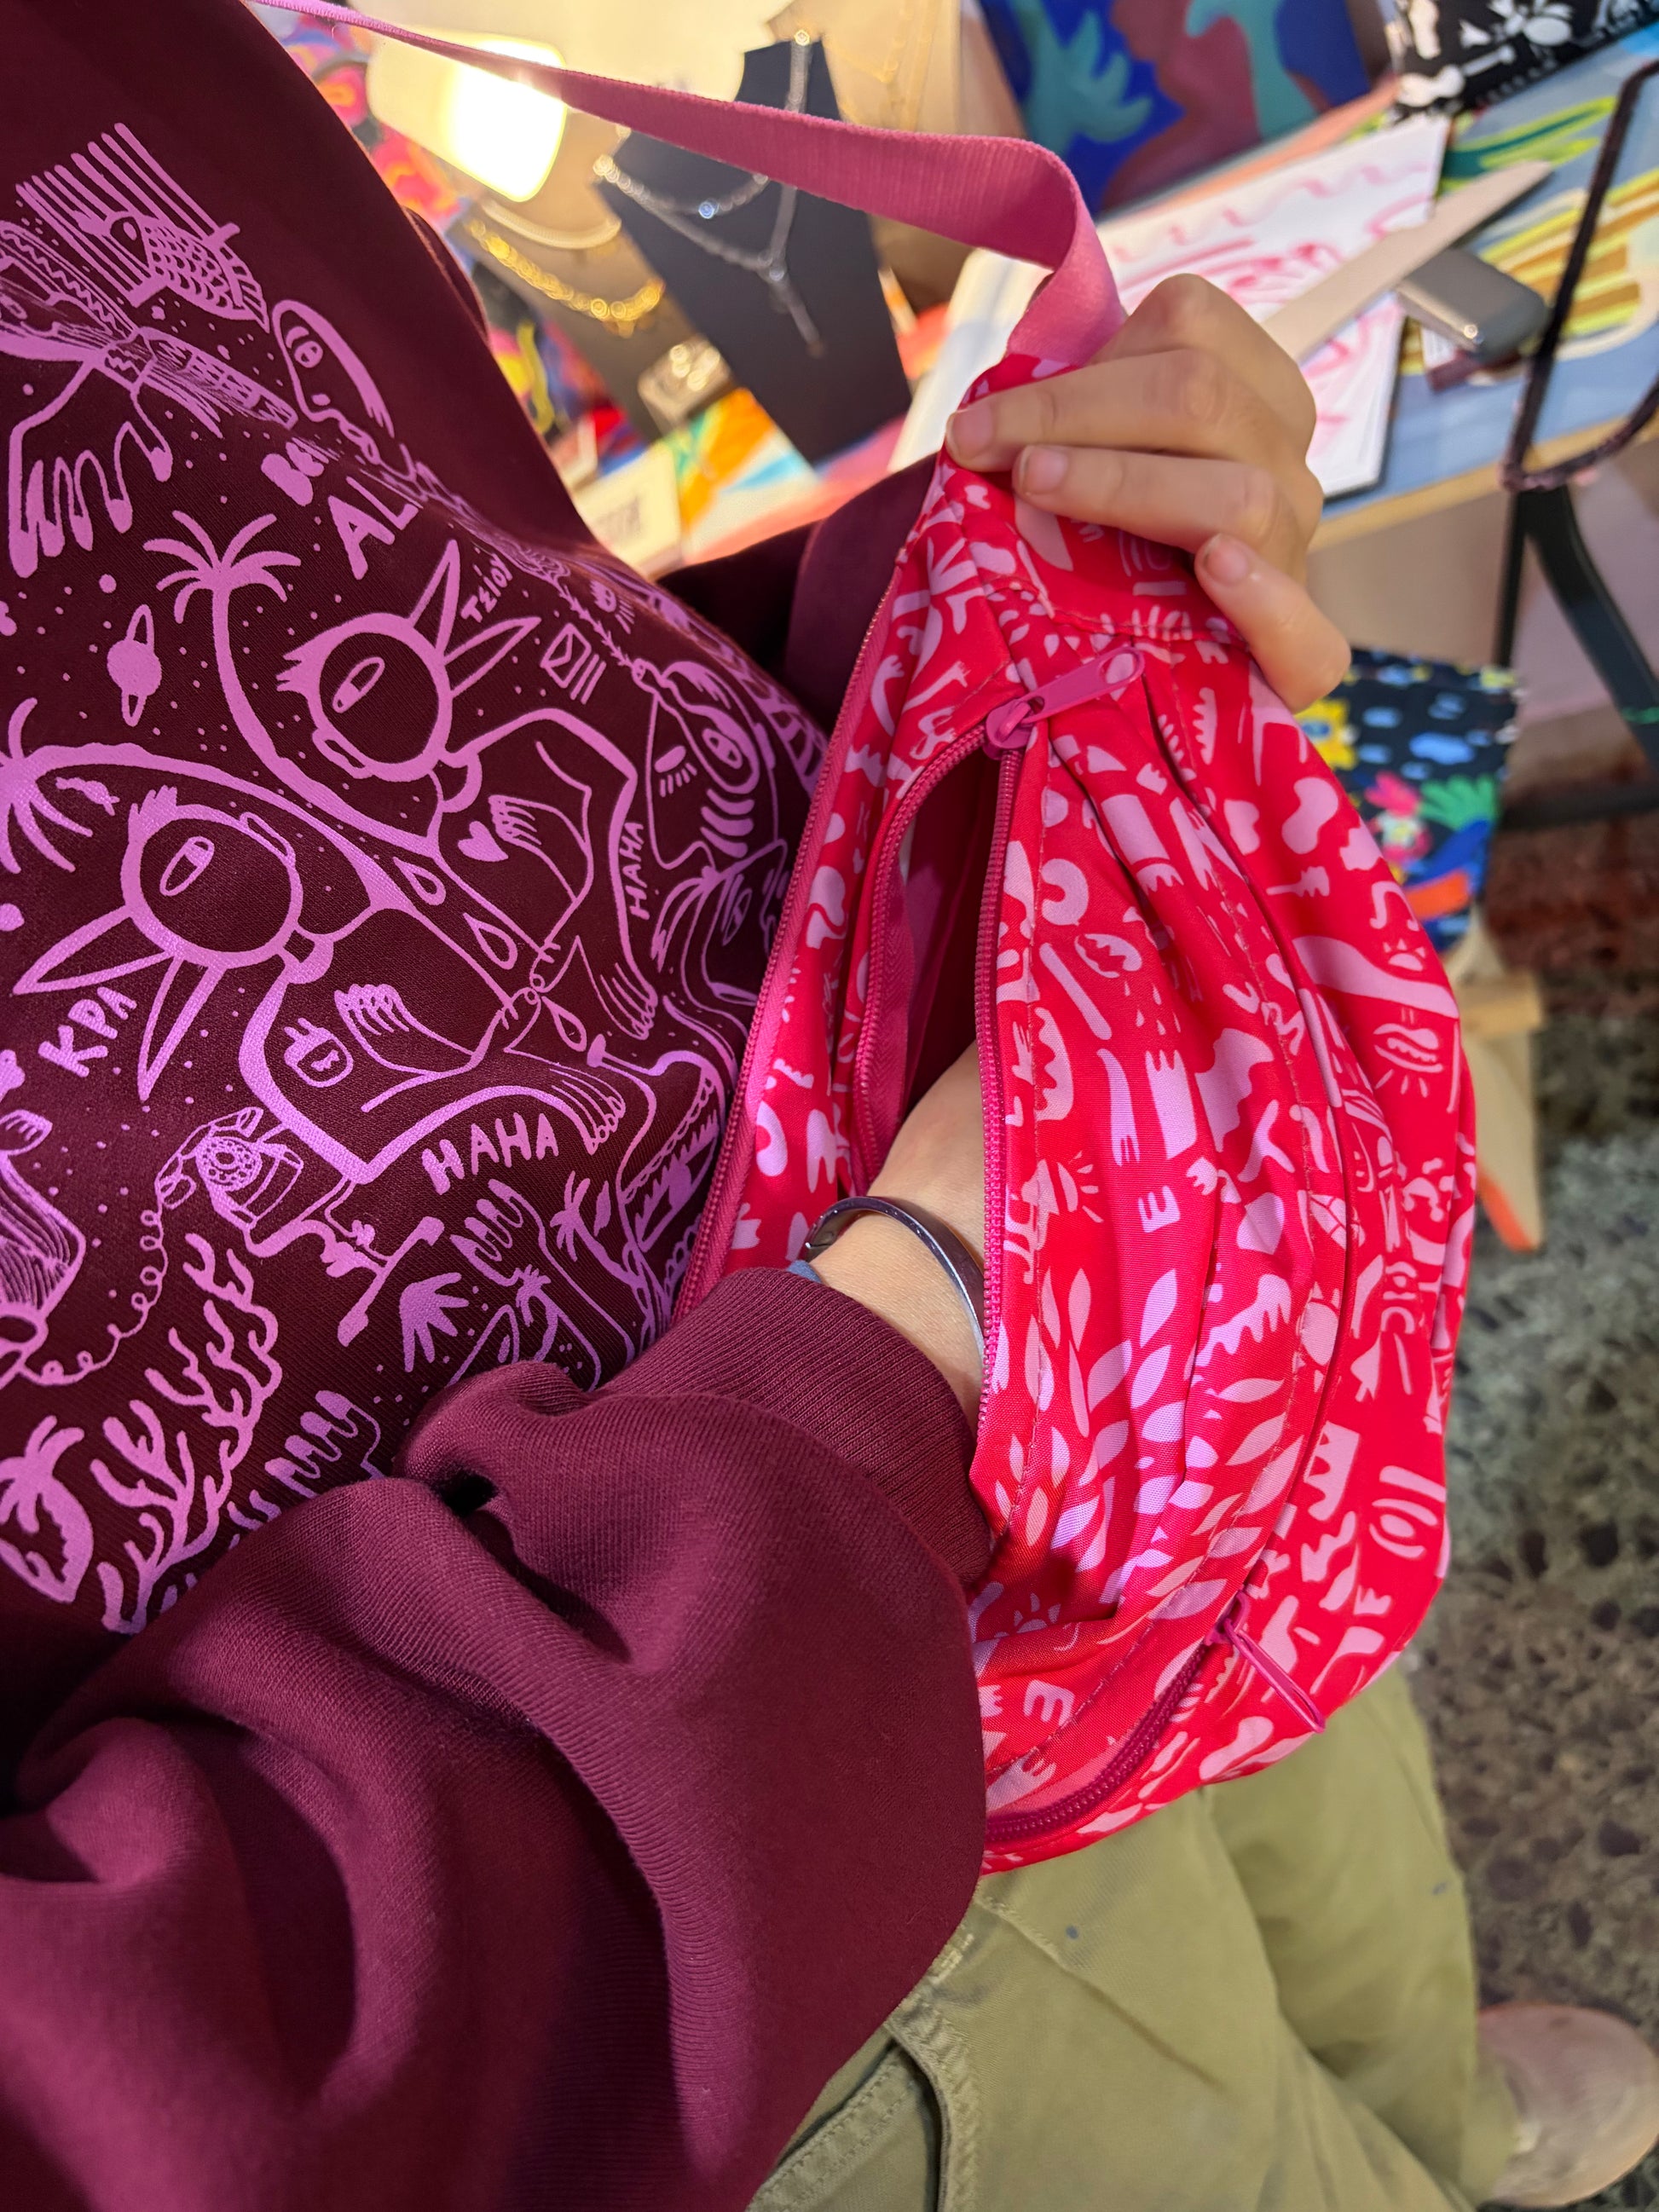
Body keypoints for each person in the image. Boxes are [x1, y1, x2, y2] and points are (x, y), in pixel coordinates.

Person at [1, 5, 1655, 2209]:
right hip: (660, 1917)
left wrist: (972, 596)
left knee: (1313, 1795)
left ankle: (1420, 2098)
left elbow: (399, 581)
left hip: (962, 1180)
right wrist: (891, 1338)